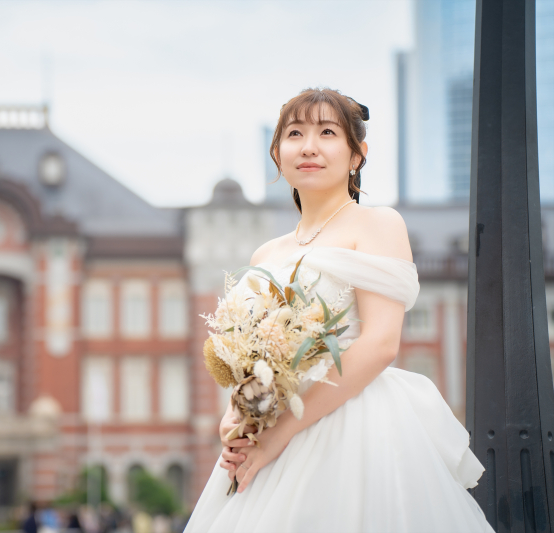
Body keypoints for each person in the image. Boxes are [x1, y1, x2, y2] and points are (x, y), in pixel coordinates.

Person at [184, 88, 494, 533]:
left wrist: (281, 433)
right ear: (278, 154)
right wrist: (237, 416)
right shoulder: (266, 253)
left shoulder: (378, 224)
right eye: (295, 133)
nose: (309, 145)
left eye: (327, 132)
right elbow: (256, 366)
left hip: (353, 423)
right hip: (270, 433)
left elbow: (380, 344)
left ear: (357, 155)